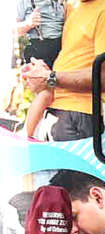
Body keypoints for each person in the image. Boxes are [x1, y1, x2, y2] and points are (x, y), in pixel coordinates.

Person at [19, 0, 105, 142]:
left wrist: (49, 77)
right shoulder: (72, 5)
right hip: (52, 113)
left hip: (76, 117)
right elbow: (71, 60)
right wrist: (39, 72)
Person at [15, 0, 66, 139]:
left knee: (56, 92)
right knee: (46, 93)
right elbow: (14, 29)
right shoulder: (24, 2)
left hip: (58, 48)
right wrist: (29, 23)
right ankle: (26, 132)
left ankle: (36, 129)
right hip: (39, 48)